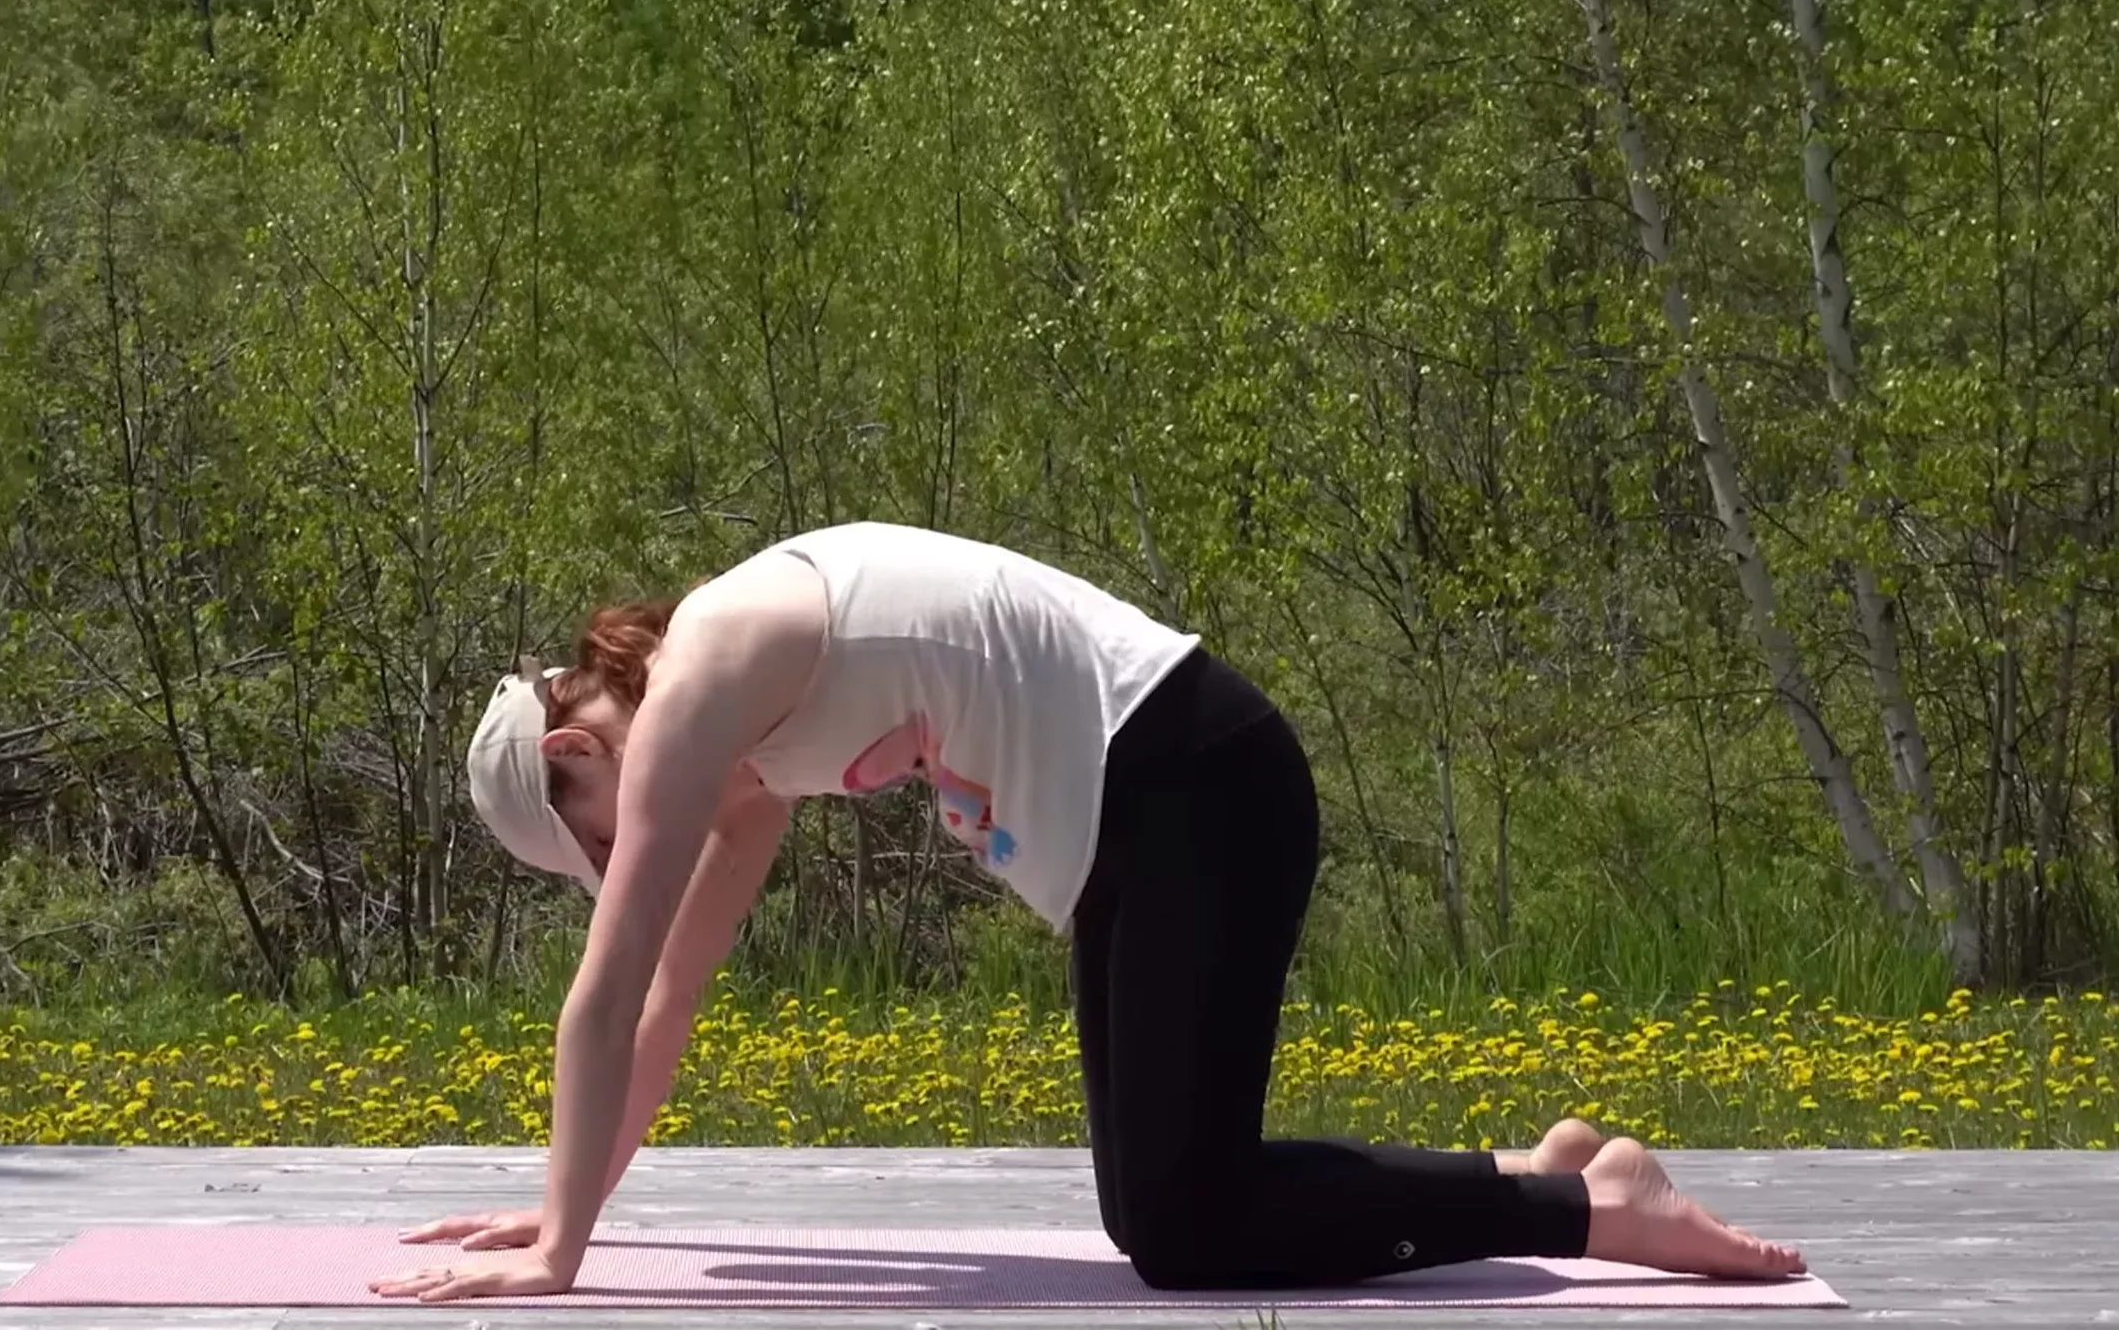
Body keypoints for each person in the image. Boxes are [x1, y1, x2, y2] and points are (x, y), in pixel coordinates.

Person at [374, 521, 1804, 1303]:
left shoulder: (695, 686)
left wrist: (559, 1257)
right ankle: (1548, 1167)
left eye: (591, 843)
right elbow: (669, 998)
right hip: (1151, 818)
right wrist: (573, 1203)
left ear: (574, 756)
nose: (619, 858)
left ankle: (1586, 1206)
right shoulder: (735, 742)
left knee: (1186, 1221)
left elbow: (604, 988)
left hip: (1202, 776)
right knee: (1166, 1218)